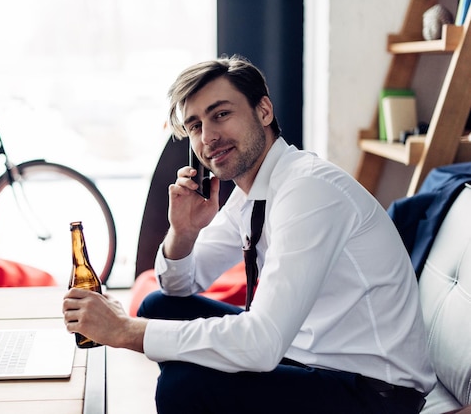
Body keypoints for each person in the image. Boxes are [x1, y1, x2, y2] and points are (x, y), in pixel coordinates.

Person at [63, 55, 436, 413]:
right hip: (307, 357)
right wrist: (183, 232)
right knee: (159, 308)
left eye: (221, 114)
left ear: (263, 111)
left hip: (375, 393)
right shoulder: (251, 194)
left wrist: (128, 331)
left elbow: (261, 343)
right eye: (195, 126)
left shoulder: (308, 190)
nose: (208, 137)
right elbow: (179, 288)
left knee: (183, 385)